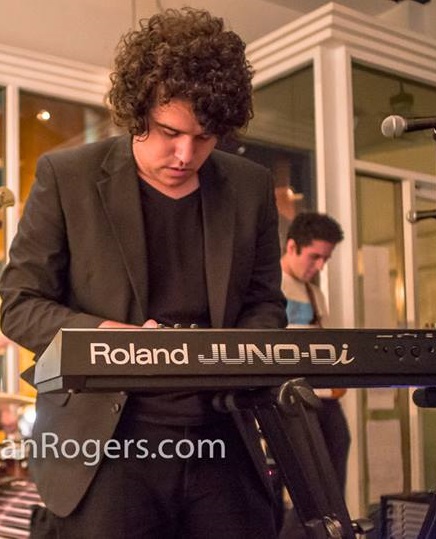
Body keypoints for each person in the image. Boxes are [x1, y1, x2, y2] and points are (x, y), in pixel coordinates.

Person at [0, 8, 287, 538]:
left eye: (204, 138)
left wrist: (223, 358)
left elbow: (265, 304)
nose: (185, 155)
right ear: (137, 111)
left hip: (222, 440)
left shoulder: (249, 188)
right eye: (168, 132)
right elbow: (18, 302)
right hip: (103, 450)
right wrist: (109, 340)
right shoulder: (69, 177)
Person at [278, 211, 351, 539]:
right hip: (286, 401)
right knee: (300, 483)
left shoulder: (314, 294)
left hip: (320, 400)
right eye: (315, 256)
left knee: (333, 474)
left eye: (326, 258)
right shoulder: (269, 285)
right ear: (291, 246)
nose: (320, 266)